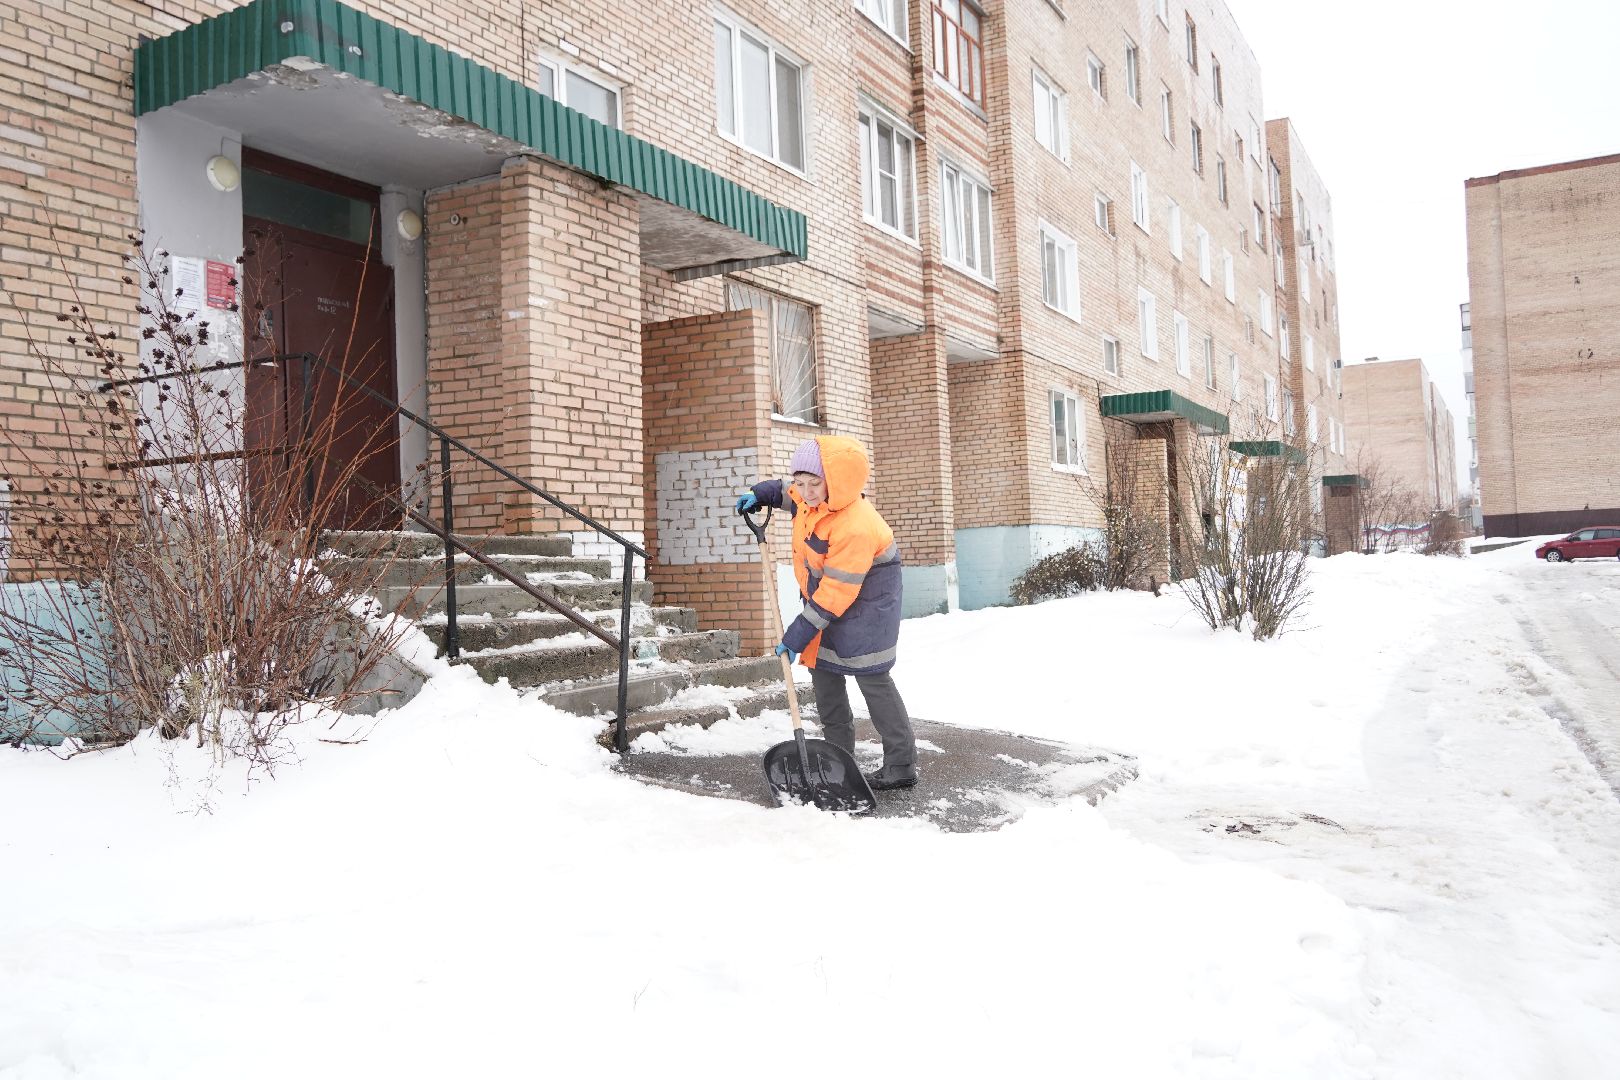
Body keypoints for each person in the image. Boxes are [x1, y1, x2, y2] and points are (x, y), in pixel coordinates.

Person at [734, 435, 917, 791]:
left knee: (873, 681)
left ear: (837, 481)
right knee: (824, 677)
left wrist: (796, 636)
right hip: (827, 602)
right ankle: (839, 758)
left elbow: (836, 593)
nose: (805, 492)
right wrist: (761, 493)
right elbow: (786, 491)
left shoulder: (856, 525)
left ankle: (901, 764)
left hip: (866, 611)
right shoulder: (810, 498)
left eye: (814, 484)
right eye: (801, 482)